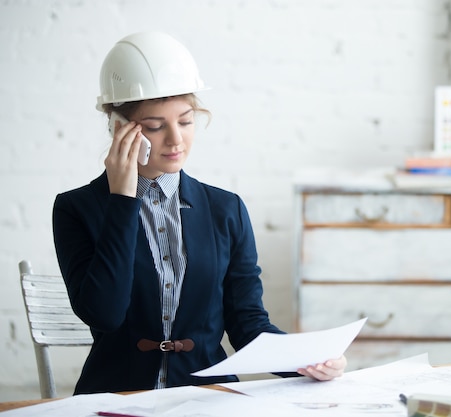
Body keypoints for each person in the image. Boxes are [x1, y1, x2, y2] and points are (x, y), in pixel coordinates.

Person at [52, 31, 346, 395]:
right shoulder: (76, 209)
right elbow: (105, 314)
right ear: (119, 130)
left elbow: (247, 323)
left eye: (186, 121)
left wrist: (308, 359)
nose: (176, 140)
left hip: (207, 400)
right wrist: (123, 199)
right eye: (156, 127)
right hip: (116, 398)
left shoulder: (226, 209)